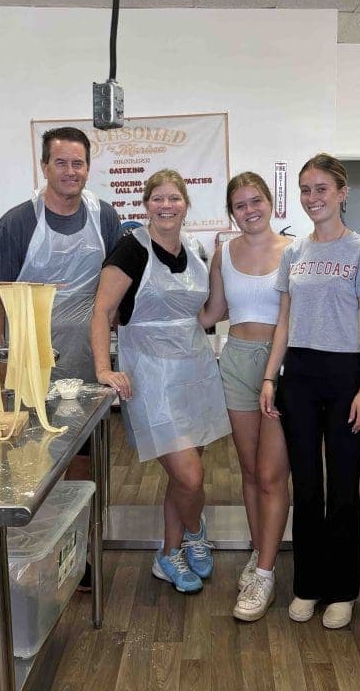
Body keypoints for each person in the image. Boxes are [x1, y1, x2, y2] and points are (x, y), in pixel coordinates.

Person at [0, 126, 121, 587]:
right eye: (60, 162)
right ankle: (32, 550)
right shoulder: (19, 223)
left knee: (81, 454)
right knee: (30, 455)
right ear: (44, 167)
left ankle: (79, 548)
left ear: (87, 166)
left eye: (77, 163)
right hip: (26, 360)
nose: (70, 171)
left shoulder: (105, 217)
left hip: (84, 356)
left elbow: (115, 284)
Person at [259, 153, 360, 629]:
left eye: (322, 190)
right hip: (301, 378)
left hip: (346, 375)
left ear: (342, 193)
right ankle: (307, 585)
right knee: (307, 486)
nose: (313, 199)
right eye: (306, 190)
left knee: (343, 489)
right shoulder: (294, 252)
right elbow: (284, 322)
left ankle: (342, 589)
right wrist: (271, 377)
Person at [91, 169, 229, 594]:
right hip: (150, 375)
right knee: (189, 477)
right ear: (146, 204)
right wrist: (103, 368)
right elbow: (101, 311)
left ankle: (169, 553)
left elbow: (205, 314)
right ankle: (194, 528)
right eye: (158, 199)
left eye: (174, 198)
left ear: (186, 205)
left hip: (195, 370)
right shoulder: (131, 249)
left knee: (185, 475)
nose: (166, 205)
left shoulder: (195, 249)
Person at [200, 172, 291, 622]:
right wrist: (155, 316)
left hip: (280, 366)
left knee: (274, 474)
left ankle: (268, 572)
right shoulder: (223, 254)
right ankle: (260, 554)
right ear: (231, 211)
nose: (249, 210)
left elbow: (298, 318)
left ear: (270, 201)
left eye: (256, 201)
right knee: (251, 470)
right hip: (235, 361)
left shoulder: (294, 251)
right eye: (240, 204)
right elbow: (214, 312)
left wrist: (275, 373)